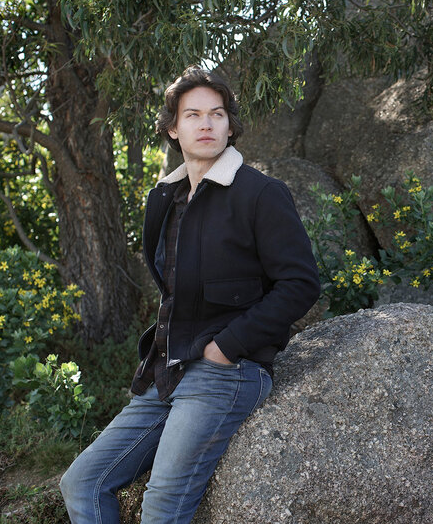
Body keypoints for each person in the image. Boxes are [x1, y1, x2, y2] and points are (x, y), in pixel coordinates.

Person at [60, 66, 321, 523]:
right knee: (83, 482)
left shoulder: (260, 194)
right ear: (172, 128)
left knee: (162, 505)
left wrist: (226, 348)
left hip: (227, 372)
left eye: (217, 114)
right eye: (193, 115)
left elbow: (300, 285)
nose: (206, 124)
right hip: (168, 369)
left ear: (230, 125)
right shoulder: (166, 196)